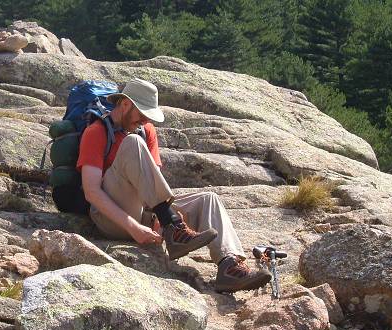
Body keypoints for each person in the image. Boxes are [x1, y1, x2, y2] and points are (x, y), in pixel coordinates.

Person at [77, 78, 271, 292]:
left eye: (148, 115)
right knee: (132, 143)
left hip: (145, 210)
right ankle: (173, 225)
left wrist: (156, 216)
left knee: (209, 199)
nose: (144, 120)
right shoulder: (96, 132)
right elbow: (92, 191)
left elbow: (151, 181)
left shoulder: (146, 130)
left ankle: (229, 267)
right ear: (125, 104)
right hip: (111, 219)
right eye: (141, 113)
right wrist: (134, 228)